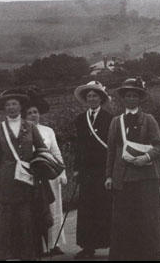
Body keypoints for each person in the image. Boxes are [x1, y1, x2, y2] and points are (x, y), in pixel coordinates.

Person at [105, 77, 160, 261]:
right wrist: (108, 176)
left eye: (134, 95)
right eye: (128, 96)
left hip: (145, 177)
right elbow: (111, 151)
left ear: (140, 99)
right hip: (122, 178)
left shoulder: (149, 120)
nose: (131, 99)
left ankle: (150, 255)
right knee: (123, 220)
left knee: (147, 219)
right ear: (123, 99)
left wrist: (146, 157)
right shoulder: (116, 122)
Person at [0, 89, 50, 260]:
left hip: (27, 179)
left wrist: (39, 166)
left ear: (20, 106)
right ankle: (9, 255)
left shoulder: (30, 126)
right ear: (4, 108)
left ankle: (29, 255)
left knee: (27, 218)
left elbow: (42, 150)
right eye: (7, 104)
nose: (11, 107)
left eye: (14, 103)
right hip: (7, 180)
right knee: (7, 219)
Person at [23, 89, 68, 256]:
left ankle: (53, 244)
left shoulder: (48, 131)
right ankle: (40, 246)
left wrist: (62, 173)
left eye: (35, 112)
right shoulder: (22, 131)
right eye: (29, 113)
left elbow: (55, 152)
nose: (33, 115)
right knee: (38, 210)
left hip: (50, 174)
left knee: (54, 208)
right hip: (32, 175)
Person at [72, 81, 113, 259]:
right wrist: (76, 168)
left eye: (95, 96)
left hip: (103, 169)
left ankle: (111, 244)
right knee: (87, 207)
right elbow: (78, 146)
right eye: (89, 96)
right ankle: (88, 246)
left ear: (101, 98)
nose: (92, 98)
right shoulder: (80, 119)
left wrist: (111, 170)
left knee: (105, 206)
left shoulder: (110, 118)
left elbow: (112, 146)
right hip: (86, 170)